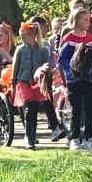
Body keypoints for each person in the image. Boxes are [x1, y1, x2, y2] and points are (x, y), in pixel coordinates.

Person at [57, 0, 92, 148]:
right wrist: (71, 71)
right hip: (74, 78)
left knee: (90, 106)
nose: (88, 23)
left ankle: (89, 138)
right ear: (76, 20)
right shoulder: (68, 38)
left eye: (89, 20)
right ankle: (75, 137)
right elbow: (62, 58)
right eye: (85, 20)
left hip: (88, 77)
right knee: (76, 108)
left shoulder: (89, 38)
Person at [11, 19, 55, 148]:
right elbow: (15, 67)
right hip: (23, 83)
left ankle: (32, 136)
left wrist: (45, 75)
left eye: (24, 36)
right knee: (29, 109)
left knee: (34, 110)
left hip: (36, 83)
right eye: (21, 37)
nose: (22, 39)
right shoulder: (20, 50)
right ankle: (28, 138)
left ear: (32, 35)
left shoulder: (42, 49)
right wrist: (13, 83)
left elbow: (47, 65)